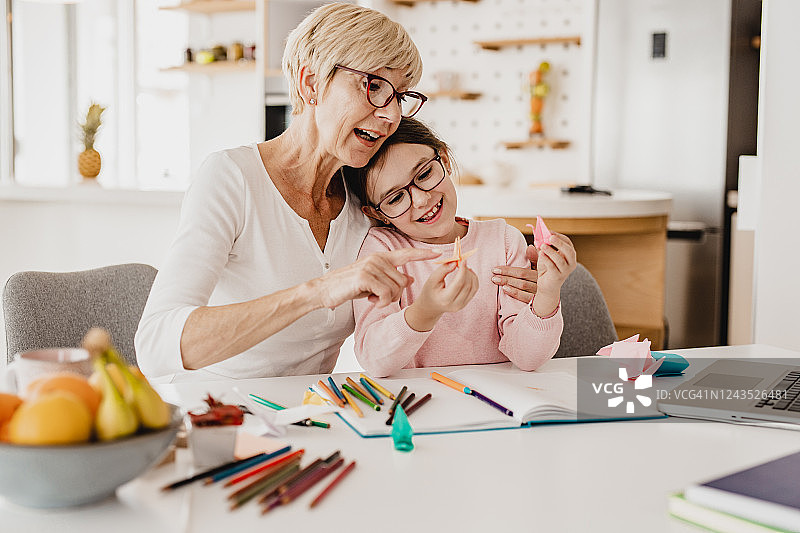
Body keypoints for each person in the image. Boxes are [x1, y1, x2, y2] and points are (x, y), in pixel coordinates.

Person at [135, 3, 439, 383]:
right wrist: (317, 292)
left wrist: (519, 277)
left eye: (399, 97)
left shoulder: (366, 198)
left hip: (313, 416)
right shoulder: (232, 178)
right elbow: (155, 344)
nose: (391, 116)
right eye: (374, 86)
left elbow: (438, 250)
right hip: (221, 417)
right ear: (311, 83)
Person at [343, 118, 577, 377]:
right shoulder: (382, 251)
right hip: (418, 402)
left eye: (424, 174)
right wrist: (425, 311)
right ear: (377, 213)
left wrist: (547, 293)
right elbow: (375, 360)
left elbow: (527, 358)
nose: (421, 199)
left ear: (444, 158)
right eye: (396, 197)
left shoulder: (504, 240)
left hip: (497, 400)